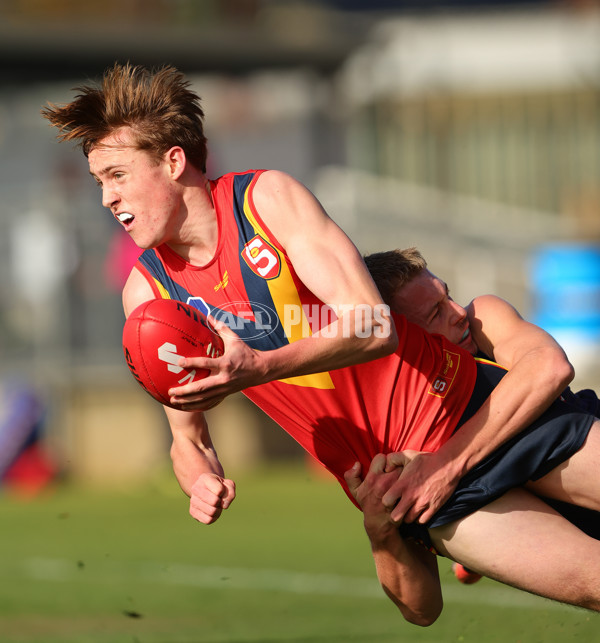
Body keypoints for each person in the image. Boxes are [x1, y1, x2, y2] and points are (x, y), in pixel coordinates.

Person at [42, 63, 600, 621]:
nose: (106, 198)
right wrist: (200, 478)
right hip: (404, 484)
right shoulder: (149, 292)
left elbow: (373, 323)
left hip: (478, 406)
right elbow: (187, 438)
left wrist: (261, 365)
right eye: (99, 182)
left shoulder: (265, 202)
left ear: (173, 160)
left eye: (117, 175)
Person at [362, 247, 600, 584]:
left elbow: (549, 367)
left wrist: (447, 466)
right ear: (407, 341)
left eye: (449, 296)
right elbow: (421, 613)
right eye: (435, 314)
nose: (459, 312)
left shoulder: (483, 315)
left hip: (581, 436)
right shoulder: (405, 416)